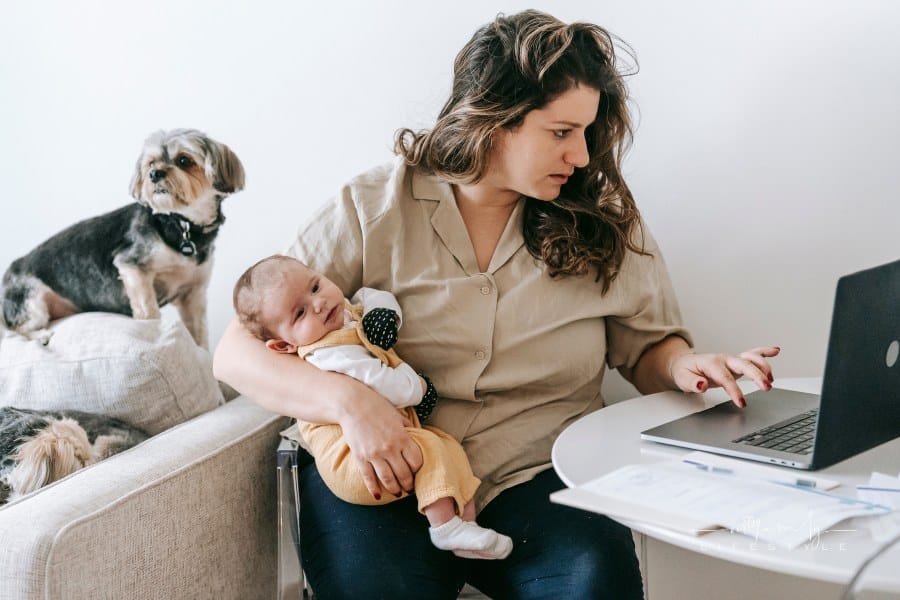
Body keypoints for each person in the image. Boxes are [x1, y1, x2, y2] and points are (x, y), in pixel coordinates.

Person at [214, 9, 779, 599]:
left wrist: (684, 366)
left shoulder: (603, 217)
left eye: (586, 132)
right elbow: (235, 354)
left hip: (539, 475)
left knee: (595, 585)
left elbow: (646, 348)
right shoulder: (373, 206)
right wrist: (350, 401)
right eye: (561, 133)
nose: (582, 156)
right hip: (387, 473)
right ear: (493, 119)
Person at [232, 254, 513, 559]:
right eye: (300, 313)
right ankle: (444, 527)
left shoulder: (345, 314)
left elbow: (371, 295)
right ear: (284, 346)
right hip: (354, 462)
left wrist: (384, 314)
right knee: (432, 449)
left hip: (387, 441)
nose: (319, 304)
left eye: (315, 287)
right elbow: (383, 383)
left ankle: (466, 526)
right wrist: (418, 388)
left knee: (449, 448)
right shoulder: (327, 354)